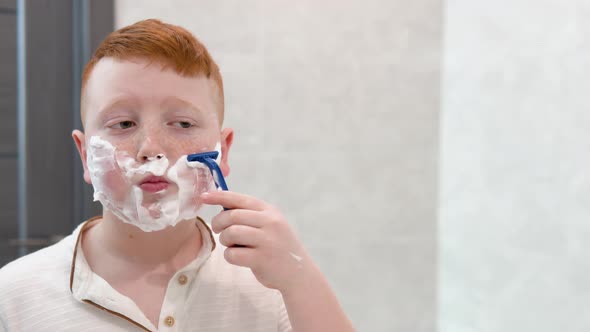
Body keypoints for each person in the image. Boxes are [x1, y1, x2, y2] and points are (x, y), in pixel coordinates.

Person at [0, 19, 354, 332]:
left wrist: (300, 279)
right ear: (85, 155)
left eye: (183, 124)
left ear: (223, 150)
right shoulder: (12, 298)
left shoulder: (272, 286)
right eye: (123, 123)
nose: (151, 148)